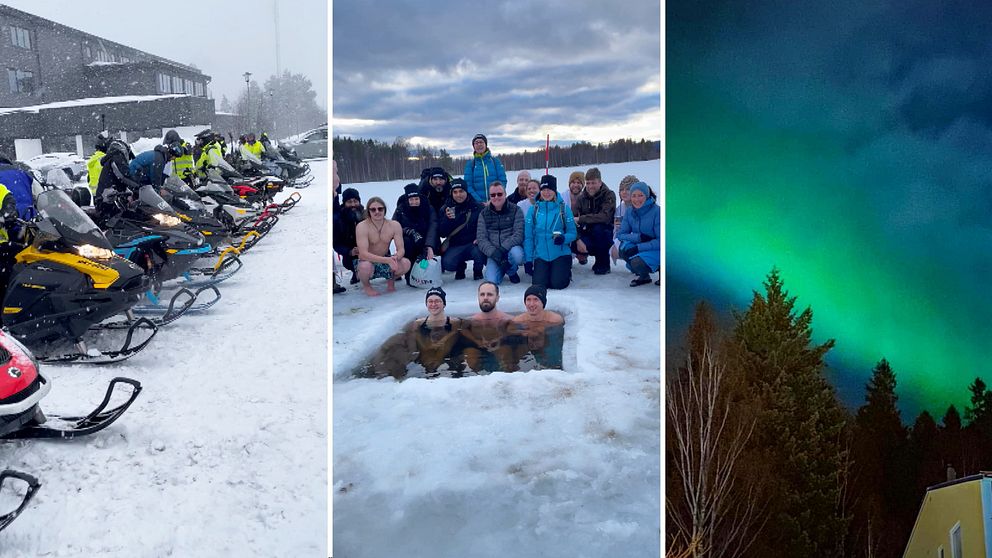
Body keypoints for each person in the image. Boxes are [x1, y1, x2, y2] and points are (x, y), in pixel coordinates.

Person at [524, 175, 577, 290]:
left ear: (554, 190)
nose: (546, 193)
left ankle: (565, 271)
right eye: (544, 190)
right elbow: (528, 237)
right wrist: (528, 260)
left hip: (560, 253)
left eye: (549, 190)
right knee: (539, 284)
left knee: (558, 284)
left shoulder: (563, 209)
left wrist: (563, 238)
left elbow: (573, 233)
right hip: (541, 255)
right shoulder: (534, 210)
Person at [355, 196, 411, 296]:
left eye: (380, 209)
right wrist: (388, 260)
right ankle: (367, 286)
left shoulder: (394, 225)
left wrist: (395, 257)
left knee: (406, 263)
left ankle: (391, 281)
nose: (377, 212)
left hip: (385, 259)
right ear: (368, 211)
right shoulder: (362, 226)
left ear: (384, 209)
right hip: (367, 261)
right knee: (364, 266)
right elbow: (363, 254)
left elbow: (401, 249)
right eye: (373, 209)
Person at [476, 180, 524, 284]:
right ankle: (502, 268)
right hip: (493, 252)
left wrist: (503, 249)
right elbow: (481, 238)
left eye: (499, 194)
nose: (496, 197)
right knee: (491, 281)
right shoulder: (483, 214)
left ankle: (511, 271)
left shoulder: (516, 210)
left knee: (518, 256)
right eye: (493, 195)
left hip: (510, 248)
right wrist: (493, 253)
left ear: (505, 194)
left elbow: (519, 234)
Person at [437, 178, 484, 280]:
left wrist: (480, 239)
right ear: (451, 193)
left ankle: (478, 270)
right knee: (447, 264)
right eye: (455, 192)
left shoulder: (477, 207)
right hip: (456, 245)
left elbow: (485, 227)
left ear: (466, 191)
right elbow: (442, 233)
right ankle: (460, 266)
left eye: (461, 191)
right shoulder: (445, 209)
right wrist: (447, 219)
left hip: (473, 244)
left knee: (480, 253)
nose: (458, 195)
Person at [573, 167, 617, 275]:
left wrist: (582, 219)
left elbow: (604, 217)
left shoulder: (609, 195)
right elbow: (572, 219)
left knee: (599, 228)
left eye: (593, 183)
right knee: (572, 241)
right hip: (587, 232)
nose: (590, 186)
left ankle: (603, 264)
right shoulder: (581, 198)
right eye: (588, 183)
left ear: (600, 182)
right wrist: (578, 239)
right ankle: (580, 256)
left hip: (605, 234)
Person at [617, 182, 661, 287]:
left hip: (658, 248)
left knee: (637, 262)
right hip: (643, 245)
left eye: (640, 195)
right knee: (623, 249)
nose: (637, 199)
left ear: (647, 195)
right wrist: (638, 237)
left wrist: (639, 247)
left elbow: (662, 241)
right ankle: (644, 276)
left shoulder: (657, 212)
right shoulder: (629, 212)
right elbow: (621, 234)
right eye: (634, 196)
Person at [392, 183, 439, 281]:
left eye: (416, 199)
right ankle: (409, 273)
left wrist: (429, 245)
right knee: (407, 242)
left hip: (426, 240)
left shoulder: (428, 208)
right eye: (411, 199)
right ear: (407, 200)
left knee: (426, 258)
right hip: (409, 242)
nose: (414, 202)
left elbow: (433, 226)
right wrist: (409, 231)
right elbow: (393, 227)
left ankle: (425, 273)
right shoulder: (400, 209)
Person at [96, 139, 143, 218]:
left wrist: (131, 192)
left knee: (136, 215)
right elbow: (124, 176)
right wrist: (139, 187)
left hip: (108, 199)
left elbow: (121, 182)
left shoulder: (113, 158)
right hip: (109, 200)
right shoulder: (117, 157)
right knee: (135, 219)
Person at [462, 133, 507, 204]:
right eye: (476, 143)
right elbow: (468, 185)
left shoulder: (495, 162)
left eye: (481, 142)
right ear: (473, 146)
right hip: (477, 205)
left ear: (486, 145)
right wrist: (479, 202)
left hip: (496, 202)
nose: (479, 144)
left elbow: (502, 181)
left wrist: (493, 199)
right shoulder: (471, 164)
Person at [333, 187, 364, 284]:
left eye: (355, 201)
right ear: (344, 203)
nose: (353, 204)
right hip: (353, 253)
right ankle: (356, 272)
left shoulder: (367, 214)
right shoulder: (339, 220)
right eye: (349, 202)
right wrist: (349, 251)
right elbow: (336, 244)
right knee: (348, 262)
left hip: (370, 249)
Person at [611, 175, 638, 263]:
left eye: (628, 189)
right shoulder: (619, 209)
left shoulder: (641, 208)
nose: (624, 192)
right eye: (622, 190)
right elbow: (615, 231)